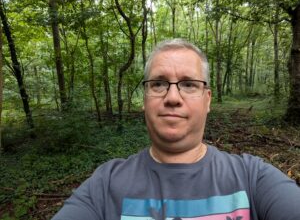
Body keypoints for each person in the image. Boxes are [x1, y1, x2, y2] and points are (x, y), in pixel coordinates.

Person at [52, 39, 300, 220]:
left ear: (208, 99)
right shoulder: (105, 186)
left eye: (189, 84)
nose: (172, 97)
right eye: (159, 83)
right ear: (145, 99)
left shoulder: (253, 178)